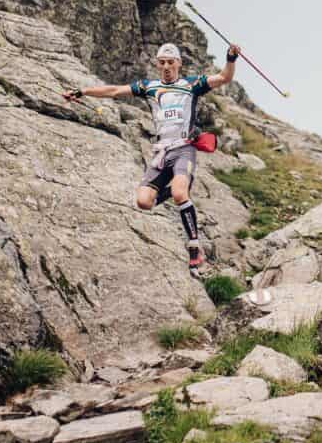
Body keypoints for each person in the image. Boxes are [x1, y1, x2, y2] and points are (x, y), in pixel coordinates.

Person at [63, 42, 241, 271]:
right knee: (144, 201)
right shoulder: (149, 87)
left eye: (170, 62)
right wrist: (83, 91)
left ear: (179, 63)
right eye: (162, 62)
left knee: (178, 194)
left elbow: (224, 78)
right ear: (157, 64)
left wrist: (230, 58)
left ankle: (194, 247)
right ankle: (183, 186)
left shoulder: (192, 84)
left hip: (183, 148)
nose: (166, 66)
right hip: (161, 152)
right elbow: (115, 91)